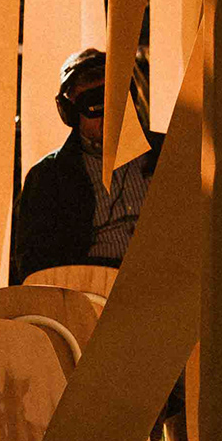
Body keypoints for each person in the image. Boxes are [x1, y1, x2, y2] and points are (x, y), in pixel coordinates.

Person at [11, 50, 154, 282]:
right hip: (93, 291)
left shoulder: (168, 152)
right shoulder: (48, 178)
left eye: (116, 101)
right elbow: (35, 268)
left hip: (169, 284)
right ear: (70, 113)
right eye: (95, 106)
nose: (109, 114)